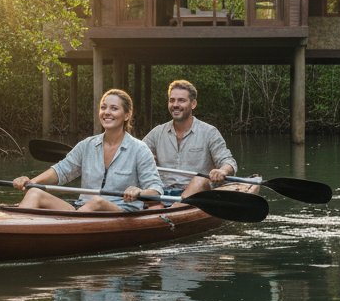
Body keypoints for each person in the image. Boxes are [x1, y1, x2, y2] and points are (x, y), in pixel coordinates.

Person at [13, 89, 163, 212]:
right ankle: (16, 233)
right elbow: (61, 171)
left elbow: (156, 190)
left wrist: (139, 192)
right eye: (103, 107)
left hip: (120, 212)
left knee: (98, 202)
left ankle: (69, 228)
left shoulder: (140, 149)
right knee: (34, 193)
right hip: (82, 210)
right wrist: (31, 182)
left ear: (127, 115)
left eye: (114, 108)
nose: (107, 112)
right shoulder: (86, 145)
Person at [142, 79, 236, 197]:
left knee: (199, 179)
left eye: (181, 100)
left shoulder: (209, 132)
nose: (175, 105)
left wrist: (222, 171)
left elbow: (228, 162)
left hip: (197, 194)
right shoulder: (157, 133)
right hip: (162, 192)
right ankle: (166, 210)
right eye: (172, 100)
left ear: (193, 104)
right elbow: (135, 154)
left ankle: (174, 210)